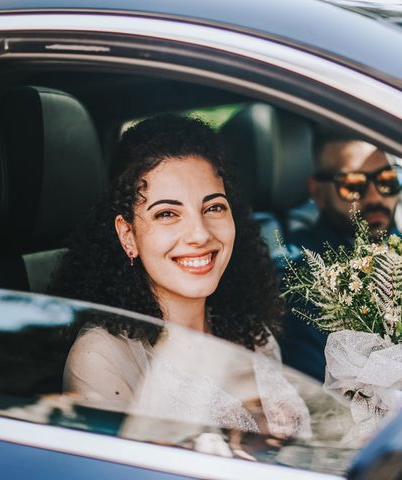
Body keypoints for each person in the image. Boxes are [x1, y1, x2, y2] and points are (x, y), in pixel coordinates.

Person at [50, 115, 310, 440]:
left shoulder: (253, 333)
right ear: (127, 234)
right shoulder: (100, 358)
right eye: (167, 214)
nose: (199, 234)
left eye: (214, 207)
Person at [279, 132, 402, 382]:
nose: (376, 197)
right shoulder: (302, 280)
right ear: (318, 192)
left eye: (387, 181)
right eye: (353, 186)